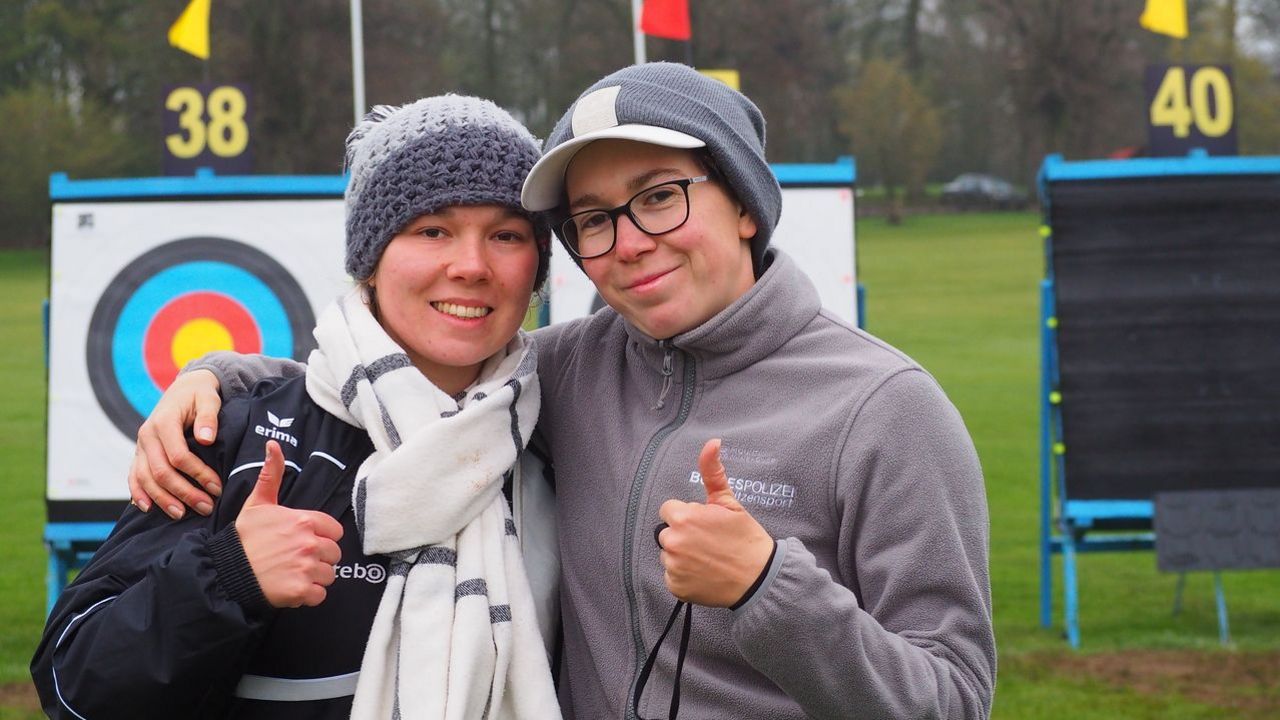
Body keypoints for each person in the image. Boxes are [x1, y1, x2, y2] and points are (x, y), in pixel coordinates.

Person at [127, 63, 996, 719]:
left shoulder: (888, 409)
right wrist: (219, 377)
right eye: (591, 220)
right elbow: (409, 367)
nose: (628, 242)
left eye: (659, 197)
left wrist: (770, 589)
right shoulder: (571, 370)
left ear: (744, 203)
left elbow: (954, 696)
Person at [32, 95, 563, 719]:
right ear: (370, 260)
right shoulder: (232, 430)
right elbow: (75, 684)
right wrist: (230, 576)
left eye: (506, 235)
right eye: (432, 230)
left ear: (537, 268)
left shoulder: (563, 432)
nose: (471, 265)